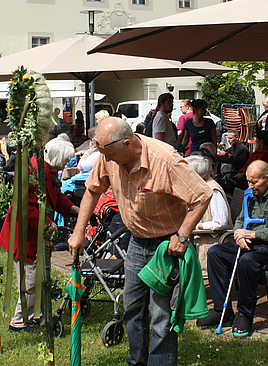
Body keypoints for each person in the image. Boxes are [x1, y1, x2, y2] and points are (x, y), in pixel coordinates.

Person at [68, 118, 211, 366]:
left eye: (109, 154)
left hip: (166, 247)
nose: (106, 160)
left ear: (126, 143)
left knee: (160, 315)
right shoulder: (108, 153)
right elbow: (92, 189)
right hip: (136, 242)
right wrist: (79, 231)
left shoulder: (165, 159)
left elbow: (201, 195)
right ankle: (137, 361)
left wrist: (182, 236)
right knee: (132, 308)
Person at [198, 161, 268, 337]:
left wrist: (253, 235)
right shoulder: (250, 193)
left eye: (254, 182)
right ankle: (222, 310)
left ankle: (245, 314)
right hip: (250, 242)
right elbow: (240, 219)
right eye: (249, 181)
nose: (250, 186)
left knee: (247, 261)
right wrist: (238, 234)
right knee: (215, 253)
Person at [0, 136, 79, 333]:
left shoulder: (47, 169)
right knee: (31, 279)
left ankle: (38, 315)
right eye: (64, 161)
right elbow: (24, 208)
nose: (66, 164)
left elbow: (55, 195)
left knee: (41, 275)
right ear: (55, 158)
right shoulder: (33, 171)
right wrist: (47, 223)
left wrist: (72, 209)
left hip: (38, 237)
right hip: (25, 236)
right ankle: (19, 322)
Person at [187, 155, 231, 275]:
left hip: (212, 243)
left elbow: (221, 223)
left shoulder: (213, 191)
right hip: (201, 240)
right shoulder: (202, 188)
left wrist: (198, 226)